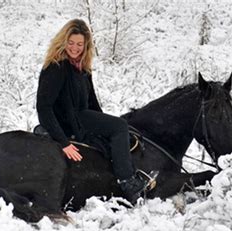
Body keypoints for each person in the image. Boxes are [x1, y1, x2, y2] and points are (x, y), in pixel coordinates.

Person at [36, 19, 155, 204]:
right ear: (63, 41)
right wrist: (63, 141)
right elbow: (43, 108)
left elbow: (93, 104)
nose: (75, 48)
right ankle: (126, 180)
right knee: (120, 126)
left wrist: (105, 124)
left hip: (81, 116)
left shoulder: (83, 68)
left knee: (118, 127)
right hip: (67, 122)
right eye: (71, 43)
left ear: (86, 46)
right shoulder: (56, 68)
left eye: (79, 44)